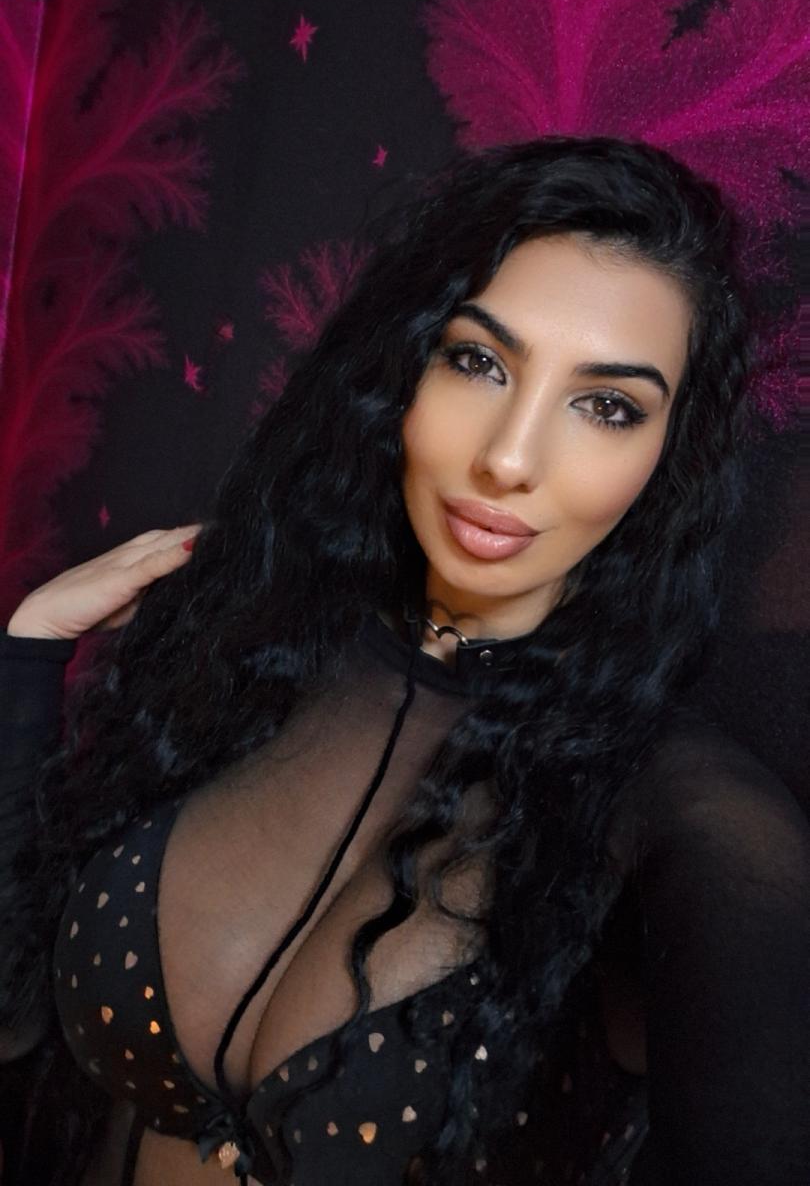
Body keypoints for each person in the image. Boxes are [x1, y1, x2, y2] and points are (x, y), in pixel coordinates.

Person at [0, 136, 808, 1186]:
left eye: (606, 406)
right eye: (478, 362)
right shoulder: (254, 641)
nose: (508, 458)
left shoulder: (691, 827)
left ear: (667, 459)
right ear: (407, 366)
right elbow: (13, 1019)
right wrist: (28, 656)